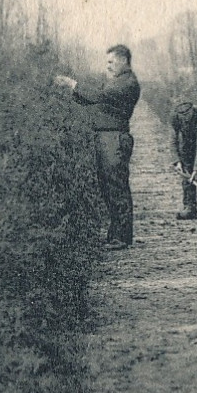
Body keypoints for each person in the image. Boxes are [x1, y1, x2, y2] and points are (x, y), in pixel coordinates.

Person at [55, 44, 141, 250]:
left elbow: (99, 96)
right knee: (108, 186)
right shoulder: (120, 81)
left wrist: (73, 85)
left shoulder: (127, 83)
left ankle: (121, 237)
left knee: (116, 186)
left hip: (114, 139)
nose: (108, 66)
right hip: (107, 138)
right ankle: (116, 235)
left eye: (111, 61)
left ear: (123, 61)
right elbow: (95, 99)